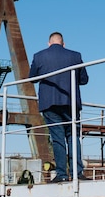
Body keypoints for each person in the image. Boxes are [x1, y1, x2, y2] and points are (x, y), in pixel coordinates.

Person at [29, 31, 89, 183]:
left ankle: (62, 174)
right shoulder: (75, 56)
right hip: (71, 102)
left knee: (57, 138)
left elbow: (32, 78)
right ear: (64, 43)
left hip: (49, 103)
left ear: (48, 43)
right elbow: (84, 80)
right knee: (73, 137)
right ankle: (78, 172)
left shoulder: (39, 56)